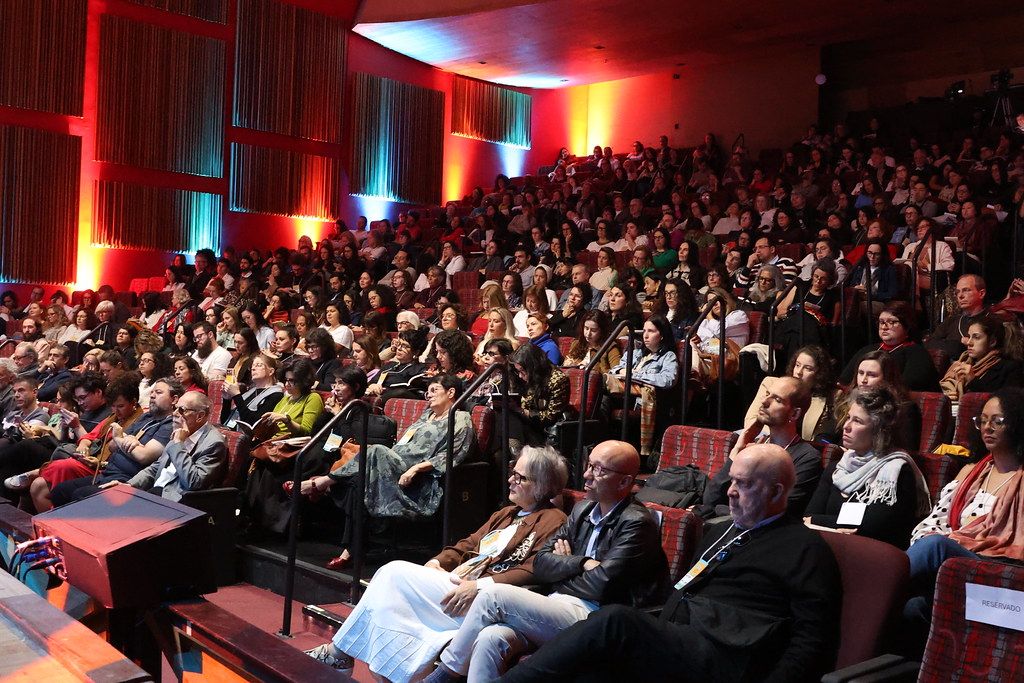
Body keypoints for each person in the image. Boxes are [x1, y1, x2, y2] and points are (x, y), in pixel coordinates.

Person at [495, 444, 841, 683]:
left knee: (614, 620)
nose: (731, 491)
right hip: (682, 641)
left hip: (731, 655)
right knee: (593, 670)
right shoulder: (720, 530)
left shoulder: (805, 548)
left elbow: (811, 640)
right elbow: (683, 590)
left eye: (745, 484)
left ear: (777, 492)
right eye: (732, 480)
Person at [304, 446, 570, 679]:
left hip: (487, 597)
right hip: (461, 581)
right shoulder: (506, 513)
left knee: (392, 573)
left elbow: (533, 569)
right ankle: (374, 668)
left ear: (541, 485)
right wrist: (437, 561)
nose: (511, 479)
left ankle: (339, 653)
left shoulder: (554, 520)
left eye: (520, 477)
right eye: (513, 472)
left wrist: (480, 586)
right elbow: (467, 544)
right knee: (393, 605)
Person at [421, 440, 668, 683]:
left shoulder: (636, 523)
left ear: (624, 482)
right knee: (490, 638)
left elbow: (602, 585)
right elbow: (540, 563)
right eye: (589, 465)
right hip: (556, 604)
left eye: (599, 470)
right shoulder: (583, 509)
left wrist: (561, 569)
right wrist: (580, 563)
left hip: (598, 619)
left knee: (492, 596)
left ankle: (442, 677)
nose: (586, 475)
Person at [903, 389, 1024, 635]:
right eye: (982, 420)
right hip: (955, 560)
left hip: (997, 564)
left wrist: (946, 542)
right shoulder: (970, 471)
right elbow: (936, 521)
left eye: (997, 421)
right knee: (913, 606)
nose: (987, 427)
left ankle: (873, 586)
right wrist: (936, 537)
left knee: (936, 546)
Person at [805, 385, 931, 548]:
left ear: (879, 431)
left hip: (874, 553)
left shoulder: (896, 471)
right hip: (829, 547)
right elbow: (808, 515)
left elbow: (874, 525)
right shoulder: (837, 468)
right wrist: (837, 526)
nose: (846, 426)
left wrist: (819, 521)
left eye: (857, 421)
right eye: (848, 417)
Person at [343, 375, 474, 520]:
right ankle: (354, 532)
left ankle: (330, 479)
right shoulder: (428, 415)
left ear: (451, 392)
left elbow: (450, 455)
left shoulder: (460, 418)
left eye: (434, 390)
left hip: (417, 474)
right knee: (356, 483)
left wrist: (415, 469)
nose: (429, 395)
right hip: (395, 462)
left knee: (376, 451)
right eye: (427, 392)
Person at [698, 376, 822, 519]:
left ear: (794, 414)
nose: (764, 401)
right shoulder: (754, 446)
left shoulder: (807, 457)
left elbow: (778, 512)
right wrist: (736, 452)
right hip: (728, 524)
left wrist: (718, 510)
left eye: (777, 399)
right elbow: (710, 500)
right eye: (767, 394)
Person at [49, 377, 179, 506]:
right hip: (107, 473)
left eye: (158, 392)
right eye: (152, 392)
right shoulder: (147, 417)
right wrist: (129, 442)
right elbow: (112, 446)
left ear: (174, 399)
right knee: (59, 491)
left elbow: (143, 456)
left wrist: (122, 439)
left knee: (79, 494)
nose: (152, 395)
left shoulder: (170, 425)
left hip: (126, 478)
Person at [243, 358, 325, 533]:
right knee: (252, 459)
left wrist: (286, 420)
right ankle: (251, 517)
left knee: (267, 466)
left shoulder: (312, 398)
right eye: (286, 380)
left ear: (304, 381)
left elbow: (307, 431)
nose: (287, 384)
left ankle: (267, 522)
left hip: (295, 448)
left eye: (292, 381)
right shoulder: (285, 400)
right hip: (275, 445)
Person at [122, 391, 227, 502]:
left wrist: (178, 444)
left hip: (177, 501)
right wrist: (130, 485)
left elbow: (194, 482)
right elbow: (156, 468)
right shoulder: (179, 430)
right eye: (175, 408)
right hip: (154, 493)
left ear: (200, 416)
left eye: (181, 410)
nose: (174, 413)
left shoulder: (214, 443)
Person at [607, 315, 679, 461]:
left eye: (651, 331)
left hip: (639, 400)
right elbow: (615, 369)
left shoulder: (668, 356)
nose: (645, 335)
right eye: (644, 331)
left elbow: (668, 380)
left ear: (662, 335)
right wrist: (623, 371)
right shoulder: (636, 352)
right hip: (621, 395)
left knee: (602, 390)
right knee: (603, 398)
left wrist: (636, 375)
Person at [840, 301, 939, 392]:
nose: (884, 327)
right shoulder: (868, 350)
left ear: (907, 325)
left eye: (892, 322)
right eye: (881, 322)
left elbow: (906, 388)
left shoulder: (917, 354)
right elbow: (844, 381)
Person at [940, 314, 1021, 402]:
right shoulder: (962, 361)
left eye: (976, 337)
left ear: (992, 342)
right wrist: (947, 396)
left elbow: (1004, 403)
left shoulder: (1010, 368)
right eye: (969, 337)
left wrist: (972, 380)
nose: (969, 342)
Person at [502, 345, 569, 450]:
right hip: (522, 424)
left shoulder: (557, 380)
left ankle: (512, 452)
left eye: (522, 371)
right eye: (517, 371)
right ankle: (509, 452)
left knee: (509, 421)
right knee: (500, 416)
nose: (520, 375)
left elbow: (550, 417)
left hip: (541, 429)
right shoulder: (522, 378)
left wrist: (521, 411)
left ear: (534, 367)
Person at [925, 274, 987, 360]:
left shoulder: (991, 321)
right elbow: (930, 343)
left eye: (966, 290)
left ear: (981, 293)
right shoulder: (951, 321)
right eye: (958, 292)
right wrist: (957, 346)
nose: (960, 296)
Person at [221, 353, 284, 431]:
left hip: (248, 436)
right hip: (231, 432)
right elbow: (225, 421)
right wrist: (227, 400)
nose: (253, 368)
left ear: (271, 371)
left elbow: (253, 423)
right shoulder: (250, 392)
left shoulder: (276, 395)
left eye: (258, 365)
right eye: (252, 366)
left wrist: (236, 395)